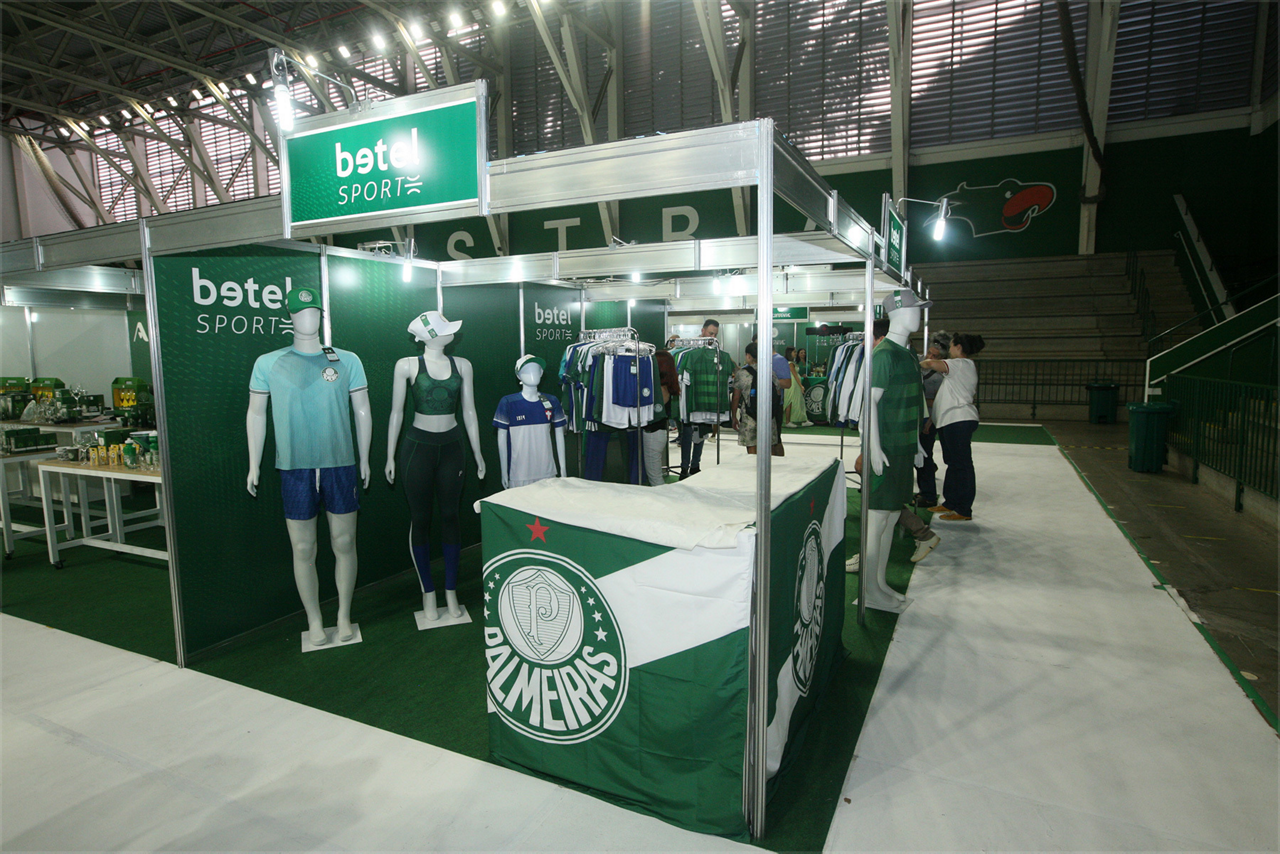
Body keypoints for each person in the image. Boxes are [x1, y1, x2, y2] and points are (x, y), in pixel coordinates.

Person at [246, 286, 372, 647]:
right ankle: (314, 620)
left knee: (344, 541)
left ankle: (343, 615)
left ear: (322, 315)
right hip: (294, 466)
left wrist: (364, 457)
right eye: (301, 312)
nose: (308, 318)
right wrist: (254, 464)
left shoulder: (347, 360)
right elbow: (256, 413)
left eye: (314, 311)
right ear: (289, 316)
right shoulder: (268, 363)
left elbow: (363, 410)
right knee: (303, 548)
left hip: (340, 463)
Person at [385, 311, 487, 622]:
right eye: (444, 329)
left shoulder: (463, 365)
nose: (451, 333)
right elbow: (396, 413)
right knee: (420, 519)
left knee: (451, 516)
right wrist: (389, 455)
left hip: (453, 447)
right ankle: (428, 592)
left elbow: (469, 411)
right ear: (429, 335)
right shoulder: (406, 365)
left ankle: (451, 590)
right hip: (418, 448)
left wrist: (478, 453)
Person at [920, 332, 986, 521]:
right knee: (954, 463)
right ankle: (951, 502)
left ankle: (963, 509)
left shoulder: (961, 364)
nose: (948, 350)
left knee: (962, 465)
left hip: (958, 420)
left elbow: (931, 364)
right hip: (950, 421)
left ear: (958, 347)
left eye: (950, 346)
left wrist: (917, 363)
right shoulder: (960, 367)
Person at [676, 319, 720, 477]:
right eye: (710, 333)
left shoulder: (715, 351)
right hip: (689, 400)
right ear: (702, 331)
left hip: (705, 399)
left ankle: (695, 465)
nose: (713, 337)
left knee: (701, 434)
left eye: (715, 334)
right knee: (687, 434)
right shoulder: (687, 351)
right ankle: (684, 467)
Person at [914, 330, 950, 509]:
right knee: (921, 456)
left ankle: (928, 494)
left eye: (935, 356)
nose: (930, 357)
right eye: (929, 352)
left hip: (929, 418)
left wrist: (930, 421)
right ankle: (925, 489)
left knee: (924, 456)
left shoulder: (941, 375)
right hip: (917, 415)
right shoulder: (918, 360)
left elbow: (939, 401)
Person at [730, 342, 783, 456]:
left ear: (748, 356)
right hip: (768, 415)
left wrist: (734, 416)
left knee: (751, 448)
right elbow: (778, 393)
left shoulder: (742, 374)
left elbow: (736, 397)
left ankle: (753, 466)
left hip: (749, 415)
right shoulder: (770, 372)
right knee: (769, 447)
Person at [782, 347, 810, 427]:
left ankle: (802, 419)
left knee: (798, 401)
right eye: (794, 352)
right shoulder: (790, 363)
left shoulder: (791, 362)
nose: (795, 353)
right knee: (790, 401)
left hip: (794, 384)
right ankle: (788, 421)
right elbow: (794, 375)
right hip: (793, 384)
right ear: (790, 353)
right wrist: (801, 385)